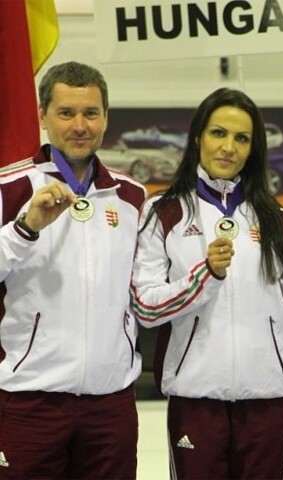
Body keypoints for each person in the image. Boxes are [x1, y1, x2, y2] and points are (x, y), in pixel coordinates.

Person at [130, 87, 283, 480]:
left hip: (268, 401)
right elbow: (145, 307)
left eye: (241, 138)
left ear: (253, 149)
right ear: (198, 136)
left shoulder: (276, 219)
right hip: (195, 400)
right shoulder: (163, 211)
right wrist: (205, 277)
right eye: (219, 133)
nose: (228, 147)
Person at [0, 61, 145, 479]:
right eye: (66, 113)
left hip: (110, 401)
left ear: (106, 118)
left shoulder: (132, 197)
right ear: (43, 116)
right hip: (31, 398)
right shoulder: (9, 188)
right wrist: (25, 228)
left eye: (91, 113)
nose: (79, 125)